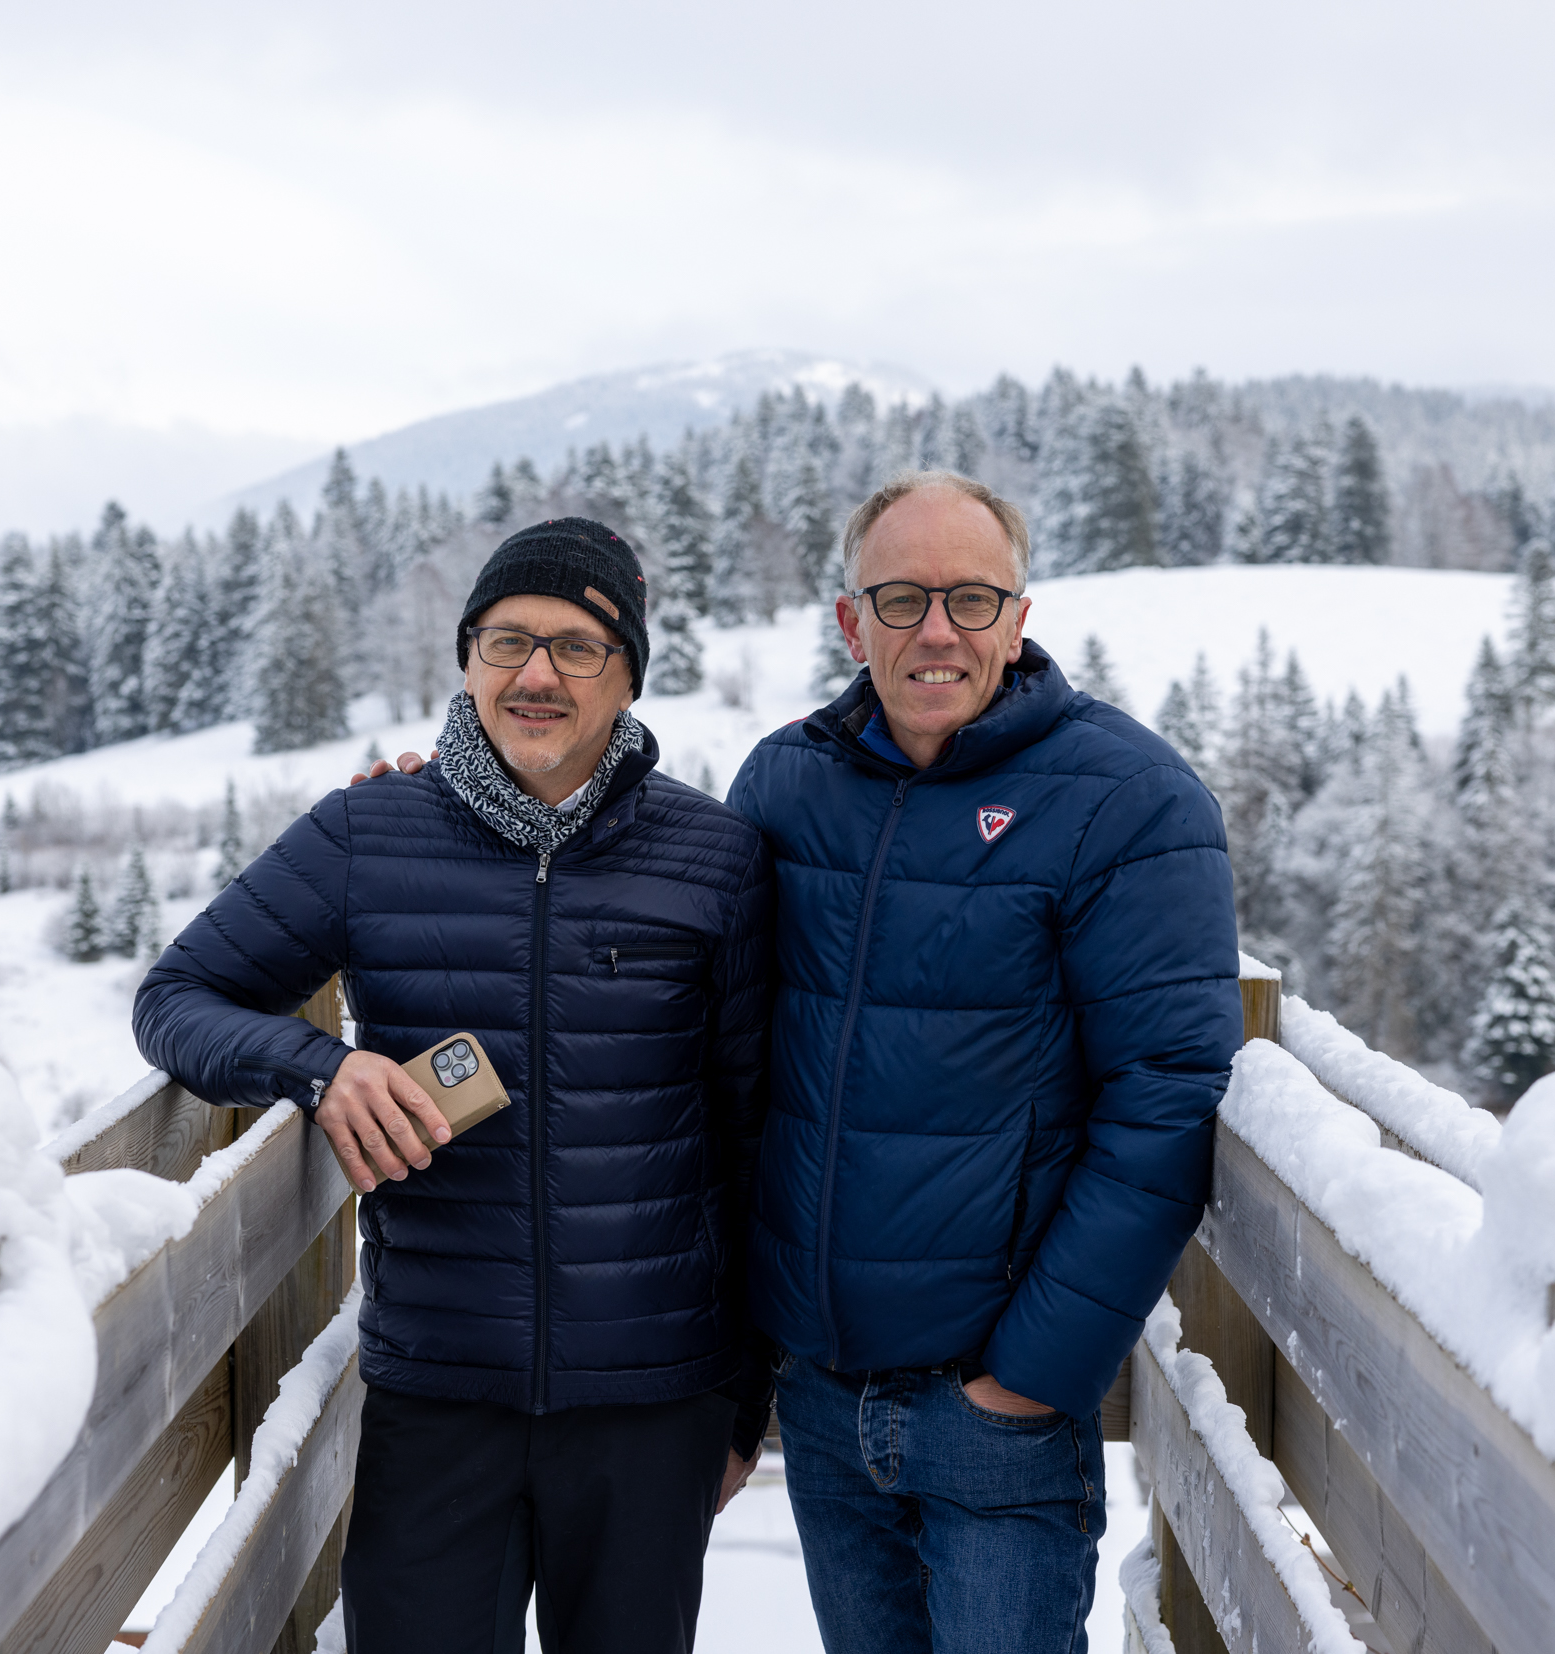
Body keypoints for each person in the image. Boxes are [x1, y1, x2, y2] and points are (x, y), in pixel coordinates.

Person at [133, 517, 772, 1654]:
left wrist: (742, 1396)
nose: (535, 673)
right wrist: (319, 1065)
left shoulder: (712, 859)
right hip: (439, 1389)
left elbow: (750, 1132)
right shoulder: (367, 834)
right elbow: (176, 999)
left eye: (576, 646)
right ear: (466, 657)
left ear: (627, 673)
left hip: (652, 1402)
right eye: (505, 640)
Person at [727, 471, 1241, 1654]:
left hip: (992, 1410)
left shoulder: (1126, 800)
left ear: (1019, 616)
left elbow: (1169, 1095)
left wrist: (1029, 1377)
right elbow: (699, 1012)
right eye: (899, 599)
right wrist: (442, 818)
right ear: (849, 622)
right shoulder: (784, 785)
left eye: (971, 597)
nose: (937, 631)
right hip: (819, 1388)